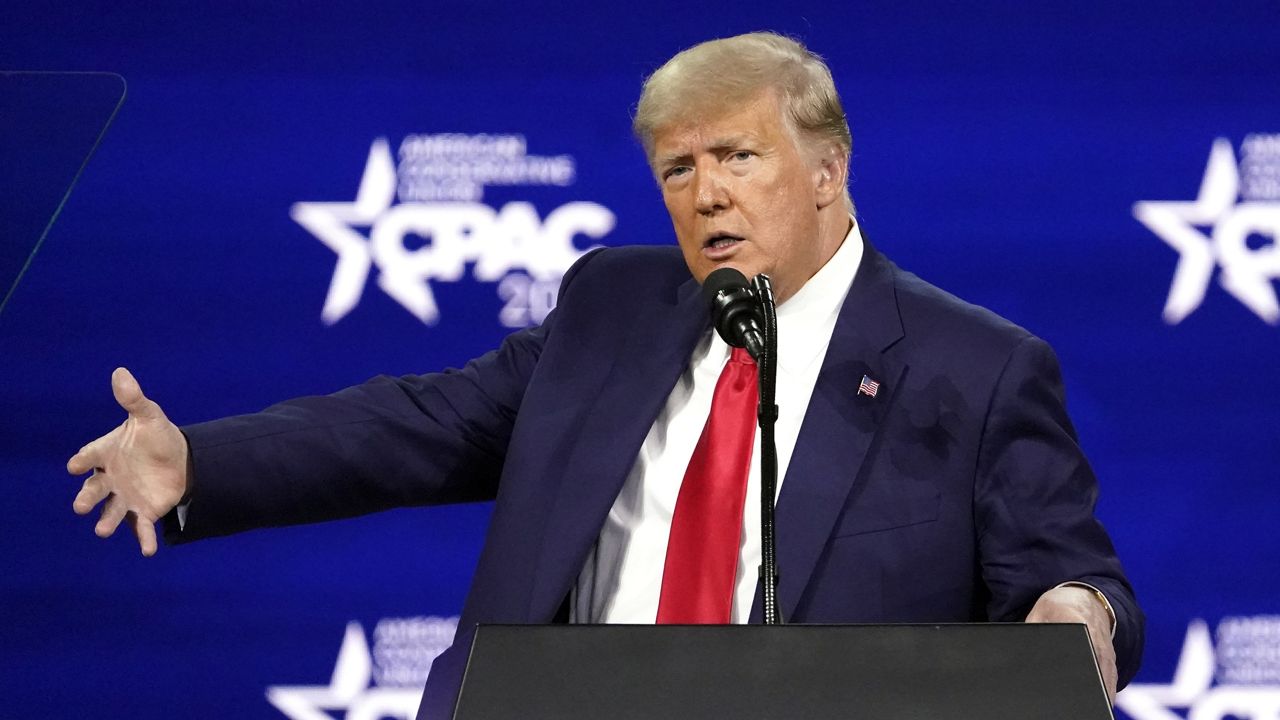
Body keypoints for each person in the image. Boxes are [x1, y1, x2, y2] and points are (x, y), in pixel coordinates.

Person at [68, 32, 1142, 719]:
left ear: (827, 171)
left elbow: (1073, 578)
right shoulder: (609, 308)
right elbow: (420, 425)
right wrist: (198, 459)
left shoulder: (976, 366)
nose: (704, 194)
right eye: (677, 169)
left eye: (736, 157)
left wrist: (1074, 612)